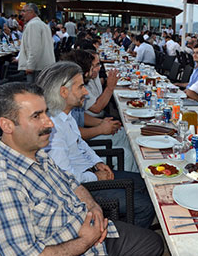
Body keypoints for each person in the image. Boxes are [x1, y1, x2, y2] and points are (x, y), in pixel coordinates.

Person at [0, 82, 163, 256]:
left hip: (88, 227)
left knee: (152, 245)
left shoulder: (35, 153)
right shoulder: (2, 183)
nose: (50, 123)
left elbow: (73, 183)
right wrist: (85, 241)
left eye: (46, 112)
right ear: (7, 125)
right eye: (37, 116)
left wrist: (93, 206)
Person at [35, 62, 154, 228]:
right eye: (81, 87)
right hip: (83, 187)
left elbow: (81, 143)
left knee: (145, 184)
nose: (86, 92)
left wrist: (97, 162)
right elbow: (66, 177)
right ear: (63, 92)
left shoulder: (65, 116)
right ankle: (128, 242)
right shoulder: (53, 128)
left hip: (89, 172)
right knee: (145, 205)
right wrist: (96, 177)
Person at [17, 3, 55, 83]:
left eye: (23, 11)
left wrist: (30, 66)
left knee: (34, 92)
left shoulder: (33, 25)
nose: (21, 14)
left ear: (31, 12)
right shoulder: (43, 24)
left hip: (37, 67)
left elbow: (34, 48)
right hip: (44, 65)